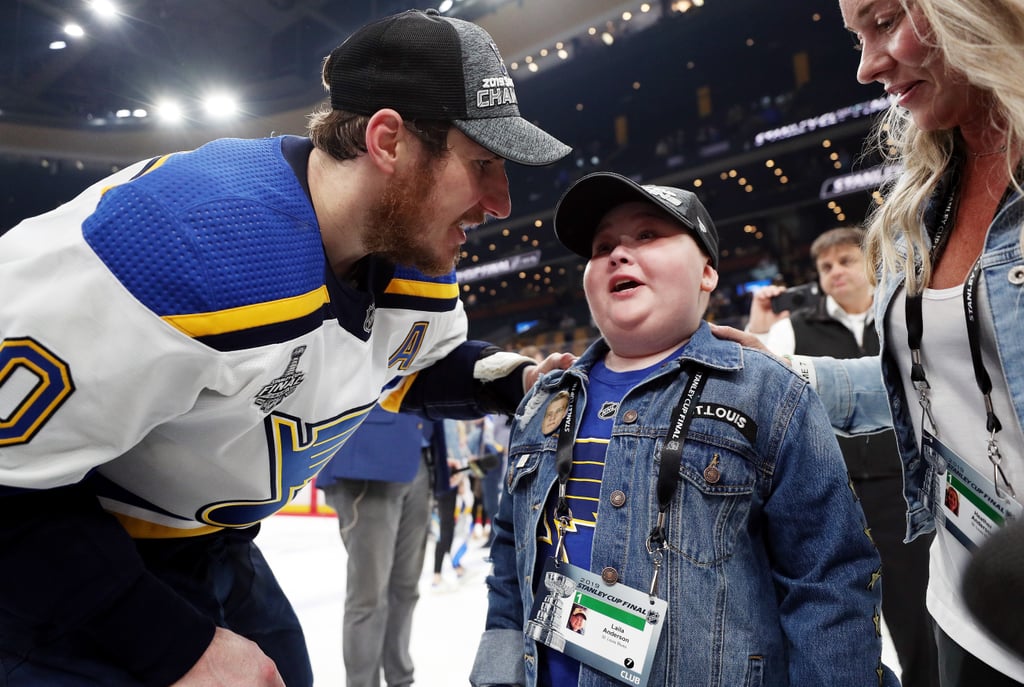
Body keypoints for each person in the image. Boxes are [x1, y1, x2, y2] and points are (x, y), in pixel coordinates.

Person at [0, 8, 573, 687]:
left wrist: (514, 380)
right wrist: (171, 644)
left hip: (220, 548)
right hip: (63, 560)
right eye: (482, 164)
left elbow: (405, 364)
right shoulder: (174, 240)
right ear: (389, 141)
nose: (500, 202)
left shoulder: (407, 242)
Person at [470, 171, 897, 687]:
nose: (617, 254)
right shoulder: (545, 399)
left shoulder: (768, 391)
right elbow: (510, 557)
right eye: (603, 246)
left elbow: (828, 580)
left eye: (648, 235)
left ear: (708, 274)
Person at [714, 1, 1024, 683]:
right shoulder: (922, 194)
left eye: (885, 22)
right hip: (961, 598)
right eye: (857, 36)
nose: (865, 66)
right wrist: (789, 373)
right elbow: (931, 384)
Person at [747, 226, 938, 687]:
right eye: (825, 266)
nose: (835, 272)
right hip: (832, 492)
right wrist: (758, 325)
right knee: (838, 614)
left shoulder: (903, 316)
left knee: (918, 614)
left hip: (902, 490)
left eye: (845, 261)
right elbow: (756, 385)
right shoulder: (792, 326)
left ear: (871, 264)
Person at [316, 405, 433, 687]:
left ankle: (400, 679)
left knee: (405, 589)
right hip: (368, 458)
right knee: (368, 596)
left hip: (421, 453)